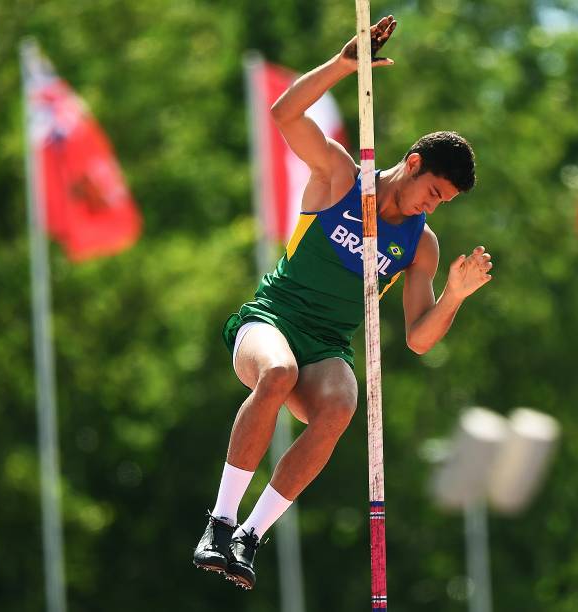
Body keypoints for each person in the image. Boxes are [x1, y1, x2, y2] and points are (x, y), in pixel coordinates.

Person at [193, 15, 492, 590]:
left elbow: (418, 338)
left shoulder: (421, 244)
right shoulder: (339, 177)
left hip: (328, 344)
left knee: (341, 406)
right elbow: (284, 115)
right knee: (277, 373)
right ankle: (221, 519)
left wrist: (454, 295)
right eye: (433, 191)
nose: (433, 207)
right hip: (271, 319)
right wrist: (344, 66)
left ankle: (250, 535)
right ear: (411, 162)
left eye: (445, 202)